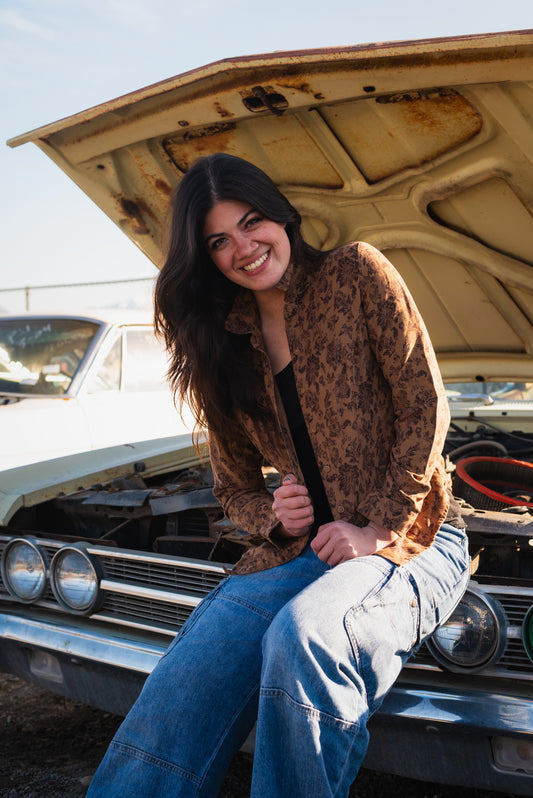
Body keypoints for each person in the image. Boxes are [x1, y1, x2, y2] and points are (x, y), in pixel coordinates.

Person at [87, 153, 470, 798]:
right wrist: (272, 514)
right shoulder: (221, 340)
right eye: (219, 240)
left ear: (281, 216)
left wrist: (376, 529)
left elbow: (423, 404)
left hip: (415, 540)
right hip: (300, 552)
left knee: (304, 636)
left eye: (252, 221)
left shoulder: (356, 272)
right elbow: (233, 486)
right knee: (186, 680)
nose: (244, 247)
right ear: (205, 257)